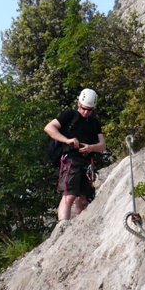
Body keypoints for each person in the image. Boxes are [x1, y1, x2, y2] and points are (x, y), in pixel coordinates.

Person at [44, 88, 106, 225]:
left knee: (84, 199)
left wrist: (90, 148)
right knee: (69, 195)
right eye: (84, 108)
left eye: (89, 109)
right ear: (79, 103)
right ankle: (63, 226)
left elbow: (102, 145)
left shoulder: (94, 122)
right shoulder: (69, 115)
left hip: (87, 162)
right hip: (70, 159)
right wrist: (67, 140)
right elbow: (49, 128)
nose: (86, 112)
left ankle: (80, 226)